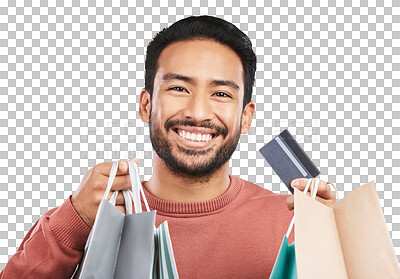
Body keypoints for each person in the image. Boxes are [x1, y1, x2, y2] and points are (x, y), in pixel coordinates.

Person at [1, 15, 336, 278]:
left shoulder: (293, 222)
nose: (197, 112)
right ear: (146, 105)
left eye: (221, 93)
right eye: (178, 88)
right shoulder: (91, 216)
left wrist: (339, 247)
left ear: (245, 118)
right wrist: (72, 222)